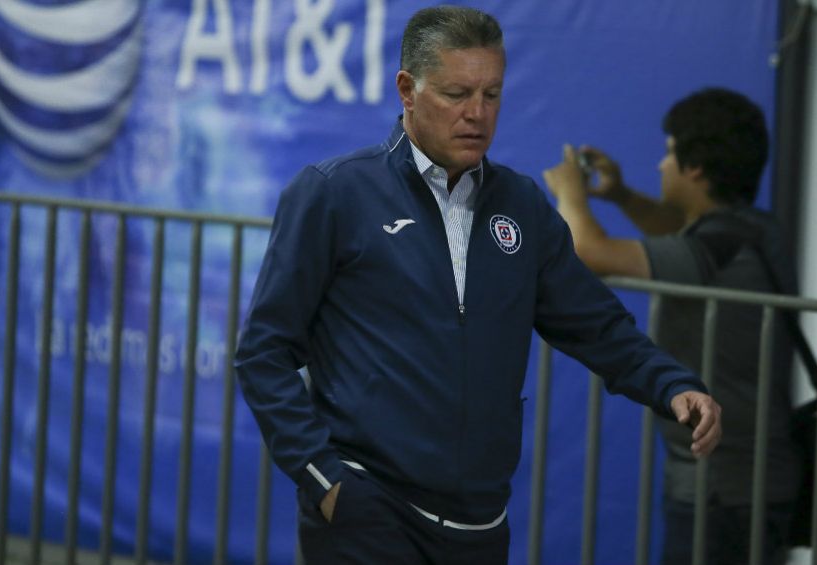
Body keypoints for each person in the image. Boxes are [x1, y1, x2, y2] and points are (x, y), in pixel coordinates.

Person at [234, 7, 722, 565]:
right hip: (367, 509)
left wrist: (672, 384)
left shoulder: (523, 207)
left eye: (492, 94)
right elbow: (264, 351)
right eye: (457, 93)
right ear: (407, 90)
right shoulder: (334, 193)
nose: (476, 114)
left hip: (480, 522)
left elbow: (597, 325)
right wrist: (326, 480)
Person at [543, 87, 802, 565]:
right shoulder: (749, 230)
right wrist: (619, 195)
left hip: (724, 488)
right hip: (744, 480)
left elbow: (587, 251)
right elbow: (675, 232)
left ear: (695, 167)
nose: (661, 166)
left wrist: (570, 194)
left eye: (667, 154)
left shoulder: (722, 246)